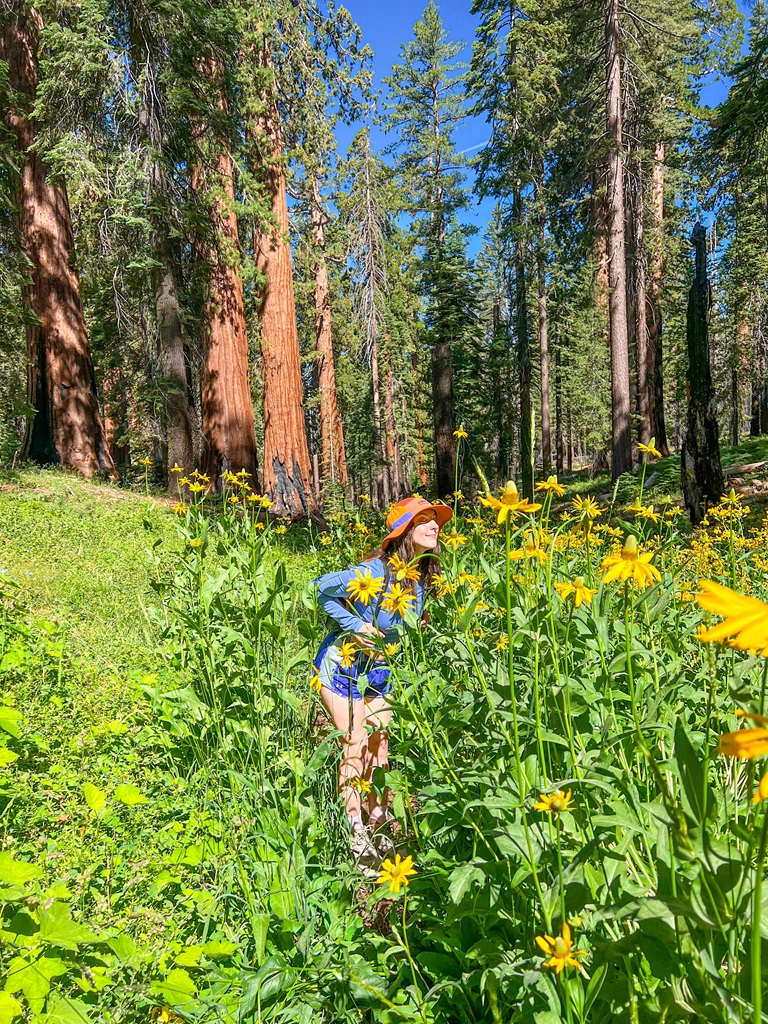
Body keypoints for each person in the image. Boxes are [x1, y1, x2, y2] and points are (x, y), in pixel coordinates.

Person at [313, 496, 452, 871]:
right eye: (424, 520)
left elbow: (402, 620)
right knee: (355, 744)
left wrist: (413, 627)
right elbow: (321, 588)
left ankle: (378, 822)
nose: (434, 525)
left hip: (380, 672)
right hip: (342, 667)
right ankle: (355, 833)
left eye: (435, 520)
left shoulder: (420, 577)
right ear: (404, 531)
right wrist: (357, 626)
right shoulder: (376, 571)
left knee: (381, 747)